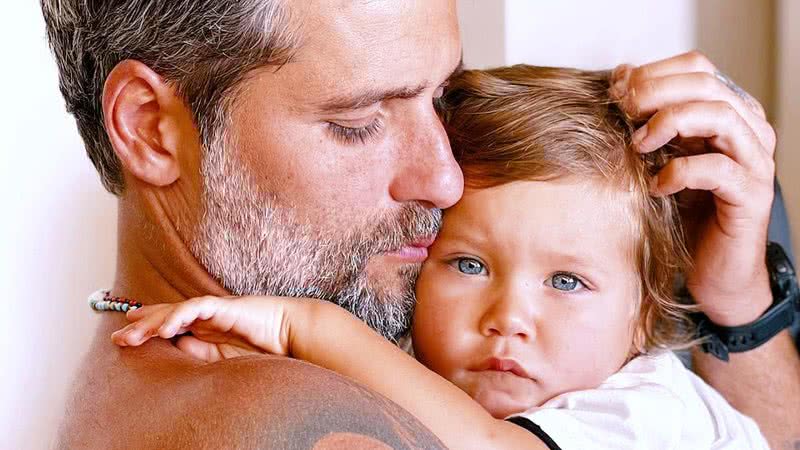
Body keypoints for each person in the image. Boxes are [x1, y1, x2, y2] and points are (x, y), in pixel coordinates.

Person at [41, 0, 799, 448]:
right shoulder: (289, 414)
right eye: (361, 121)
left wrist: (735, 297)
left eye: (443, 101)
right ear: (149, 128)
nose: (444, 180)